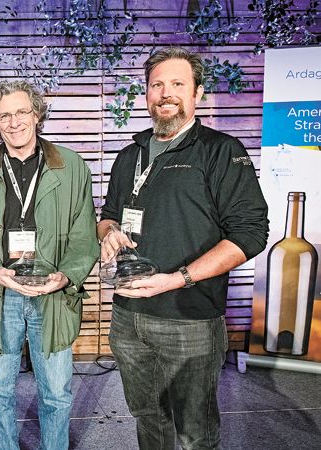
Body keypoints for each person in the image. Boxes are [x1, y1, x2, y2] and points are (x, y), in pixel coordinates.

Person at [98, 47, 269, 449]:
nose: (166, 93)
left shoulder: (221, 151)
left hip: (189, 318)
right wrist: (106, 233)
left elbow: (249, 234)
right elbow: (107, 214)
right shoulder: (130, 154)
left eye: (177, 84)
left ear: (198, 93)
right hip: (128, 316)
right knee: (148, 420)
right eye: (157, 84)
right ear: (146, 94)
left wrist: (177, 279)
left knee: (194, 433)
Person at [0, 81, 99, 450]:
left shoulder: (71, 167)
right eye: (4, 115)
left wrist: (66, 276)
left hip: (52, 294)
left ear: (37, 115)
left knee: (56, 392)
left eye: (21, 112)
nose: (14, 121)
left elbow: (85, 235)